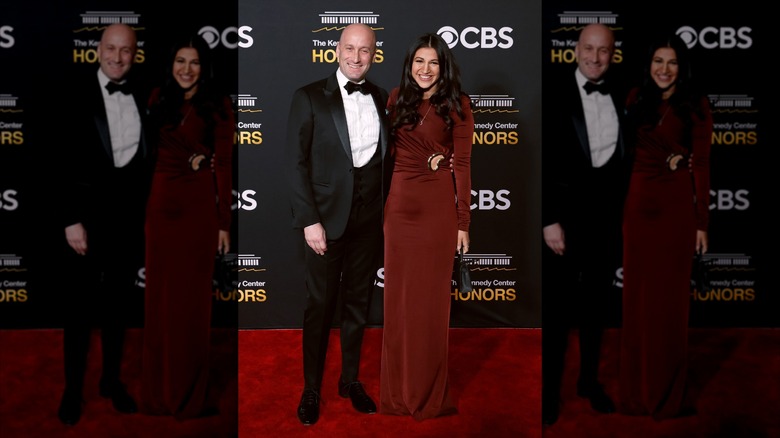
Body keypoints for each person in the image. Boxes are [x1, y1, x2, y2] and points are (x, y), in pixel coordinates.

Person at [285, 23, 391, 426]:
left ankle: (350, 380)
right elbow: (295, 164)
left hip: (368, 221)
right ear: (336, 49)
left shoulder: (382, 98)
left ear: (373, 54)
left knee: (357, 304)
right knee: (319, 307)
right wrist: (309, 220)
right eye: (350, 48)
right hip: (325, 223)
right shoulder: (309, 97)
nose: (356, 57)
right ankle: (311, 387)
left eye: (365, 51)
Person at [56, 22, 150, 425]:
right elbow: (57, 161)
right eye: (110, 49)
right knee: (79, 312)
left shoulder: (146, 92)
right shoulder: (73, 93)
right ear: (98, 50)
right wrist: (70, 219)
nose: (117, 57)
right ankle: (72, 391)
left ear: (134, 54)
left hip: (127, 225)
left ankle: (111, 381)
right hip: (85, 225)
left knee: (117, 310)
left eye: (125, 50)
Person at [139, 33, 235, 420]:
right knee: (160, 304)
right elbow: (143, 157)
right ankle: (158, 393)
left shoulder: (218, 106)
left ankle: (189, 396)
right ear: (171, 64)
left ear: (204, 67)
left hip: (198, 213)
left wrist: (224, 223)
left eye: (194, 62)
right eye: (180, 61)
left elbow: (224, 166)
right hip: (160, 209)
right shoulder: (156, 98)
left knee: (192, 307)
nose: (186, 69)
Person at [379, 33, 473, 421]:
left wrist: (463, 222)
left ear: (443, 67)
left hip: (437, 214)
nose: (425, 69)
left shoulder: (458, 105)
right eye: (419, 61)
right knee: (398, 305)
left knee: (431, 308)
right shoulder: (395, 98)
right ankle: (397, 394)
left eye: (433, 62)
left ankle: (428, 393)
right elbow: (380, 156)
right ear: (409, 64)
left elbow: (463, 166)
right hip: (398, 212)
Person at [618, 32, 712, 420]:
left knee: (670, 306)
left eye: (672, 62)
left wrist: (702, 223)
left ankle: (667, 394)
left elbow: (703, 166)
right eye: (659, 61)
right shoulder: (634, 99)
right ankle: (637, 392)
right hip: (637, 209)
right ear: (649, 64)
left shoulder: (696, 105)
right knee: (638, 303)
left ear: (681, 67)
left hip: (676, 212)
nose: (664, 69)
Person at [541, 23, 629, 426]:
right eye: (589, 49)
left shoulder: (623, 93)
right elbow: (541, 162)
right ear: (575, 49)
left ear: (613, 54)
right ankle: (550, 394)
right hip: (563, 224)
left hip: (605, 224)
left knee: (596, 310)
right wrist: (548, 220)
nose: (595, 58)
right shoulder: (553, 91)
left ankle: (589, 383)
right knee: (557, 315)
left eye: (604, 51)